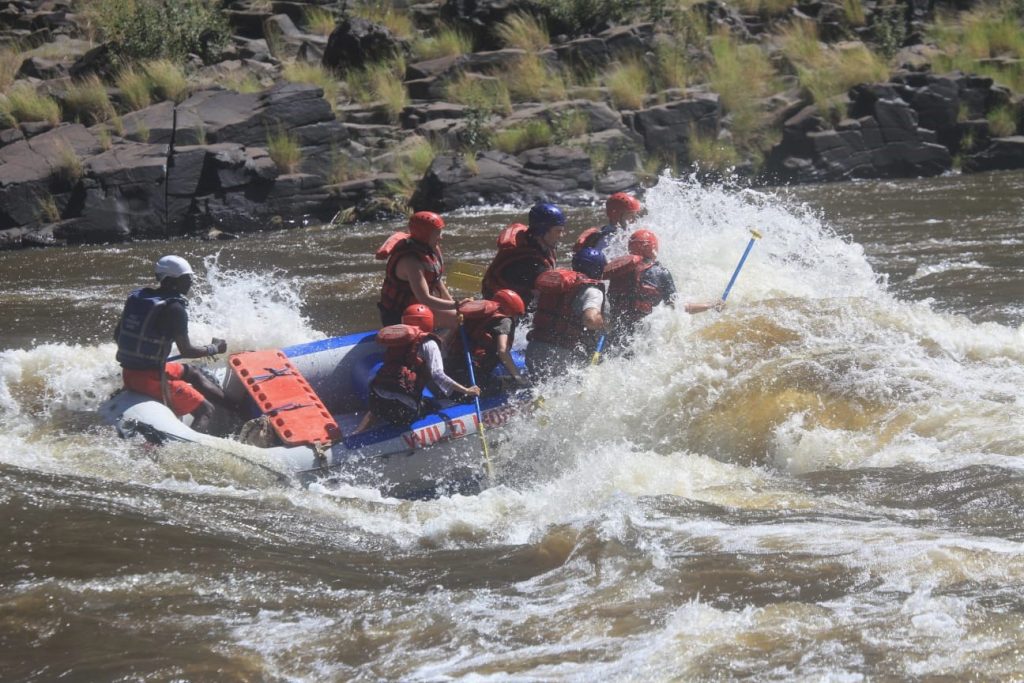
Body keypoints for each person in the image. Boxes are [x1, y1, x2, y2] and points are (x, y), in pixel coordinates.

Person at [113, 255, 232, 433]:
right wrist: (216, 348)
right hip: (151, 379)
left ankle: (233, 408)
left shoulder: (139, 300)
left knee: (193, 372)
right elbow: (187, 351)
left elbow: (117, 335)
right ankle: (191, 449)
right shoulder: (175, 308)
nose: (190, 283)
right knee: (206, 410)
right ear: (171, 281)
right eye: (186, 278)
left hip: (130, 373)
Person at [353, 304, 481, 433]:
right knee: (432, 405)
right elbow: (438, 375)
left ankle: (357, 434)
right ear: (429, 321)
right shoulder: (429, 343)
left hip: (375, 399)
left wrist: (454, 330)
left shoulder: (398, 340)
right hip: (402, 409)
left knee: (385, 398)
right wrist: (467, 390)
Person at [605, 229, 724, 348]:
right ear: (653, 248)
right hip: (644, 338)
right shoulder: (661, 273)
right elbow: (678, 307)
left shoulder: (617, 272)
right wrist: (710, 305)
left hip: (617, 335)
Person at [525, 247, 609, 380]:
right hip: (559, 357)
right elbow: (591, 320)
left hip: (533, 350)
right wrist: (604, 324)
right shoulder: (592, 290)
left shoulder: (558, 283)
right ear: (598, 269)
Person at [377, 211, 462, 329]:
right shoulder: (411, 261)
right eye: (437, 233)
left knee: (462, 316)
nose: (441, 237)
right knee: (457, 320)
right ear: (425, 235)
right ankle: (439, 344)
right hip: (399, 315)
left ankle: (445, 340)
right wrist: (457, 305)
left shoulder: (431, 249)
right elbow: (425, 298)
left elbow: (437, 280)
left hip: (418, 306)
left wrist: (456, 306)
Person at [481, 202, 565, 310]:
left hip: (501, 283)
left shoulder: (532, 240)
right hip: (503, 308)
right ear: (542, 231)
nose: (561, 236)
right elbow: (546, 297)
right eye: (558, 231)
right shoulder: (531, 263)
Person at [445, 289, 529, 395]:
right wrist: (519, 378)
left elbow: (447, 341)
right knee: (515, 383)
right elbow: (502, 350)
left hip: (451, 366)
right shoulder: (505, 320)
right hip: (472, 378)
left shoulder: (476, 314)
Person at [574, 192, 643, 256]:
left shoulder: (608, 231)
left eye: (635, 214)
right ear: (616, 215)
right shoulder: (608, 241)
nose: (635, 219)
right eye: (630, 215)